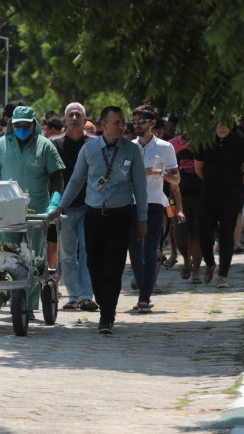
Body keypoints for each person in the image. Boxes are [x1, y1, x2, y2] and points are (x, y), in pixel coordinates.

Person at [48, 106, 148, 334]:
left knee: (114, 267)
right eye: (117, 123)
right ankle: (104, 301)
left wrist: (142, 219)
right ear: (103, 125)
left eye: (123, 122)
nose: (122, 126)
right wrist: (61, 206)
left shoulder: (131, 151)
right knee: (94, 265)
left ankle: (107, 316)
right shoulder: (89, 149)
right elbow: (75, 180)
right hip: (93, 216)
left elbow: (140, 188)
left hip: (120, 217)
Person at [0, 106, 65, 319]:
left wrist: (54, 203)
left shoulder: (45, 146)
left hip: (37, 211)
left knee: (32, 256)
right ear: (11, 124)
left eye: (25, 125)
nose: (21, 128)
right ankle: (12, 300)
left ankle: (28, 307)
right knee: (8, 256)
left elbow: (57, 177)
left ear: (34, 124)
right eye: (17, 125)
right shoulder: (1, 144)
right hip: (7, 211)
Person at [127, 105, 181, 312]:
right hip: (131, 204)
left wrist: (160, 172)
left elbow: (176, 177)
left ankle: (144, 297)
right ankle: (143, 290)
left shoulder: (165, 147)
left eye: (141, 121)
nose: (137, 125)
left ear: (152, 124)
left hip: (154, 204)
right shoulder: (129, 146)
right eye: (134, 121)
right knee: (134, 253)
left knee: (150, 252)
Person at [51, 103, 96, 311]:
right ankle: (73, 296)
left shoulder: (95, 144)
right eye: (71, 114)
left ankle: (87, 296)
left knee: (87, 252)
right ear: (65, 119)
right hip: (65, 209)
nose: (75, 117)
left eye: (79, 114)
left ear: (85, 119)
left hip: (90, 207)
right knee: (67, 255)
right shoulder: (54, 144)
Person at [194, 122, 244, 287]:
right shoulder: (205, 141)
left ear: (231, 125)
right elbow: (199, 168)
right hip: (208, 194)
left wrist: (236, 185)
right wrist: (212, 183)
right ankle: (210, 264)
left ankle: (223, 276)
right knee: (204, 235)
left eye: (225, 123)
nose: (221, 127)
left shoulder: (240, 142)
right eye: (218, 123)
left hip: (231, 195)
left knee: (227, 235)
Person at [173, 134, 203, 284]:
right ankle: (186, 260)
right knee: (179, 236)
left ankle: (196, 272)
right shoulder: (180, 155)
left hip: (201, 200)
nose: (186, 140)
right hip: (181, 200)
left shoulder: (204, 153)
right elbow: (173, 178)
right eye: (184, 138)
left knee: (197, 238)